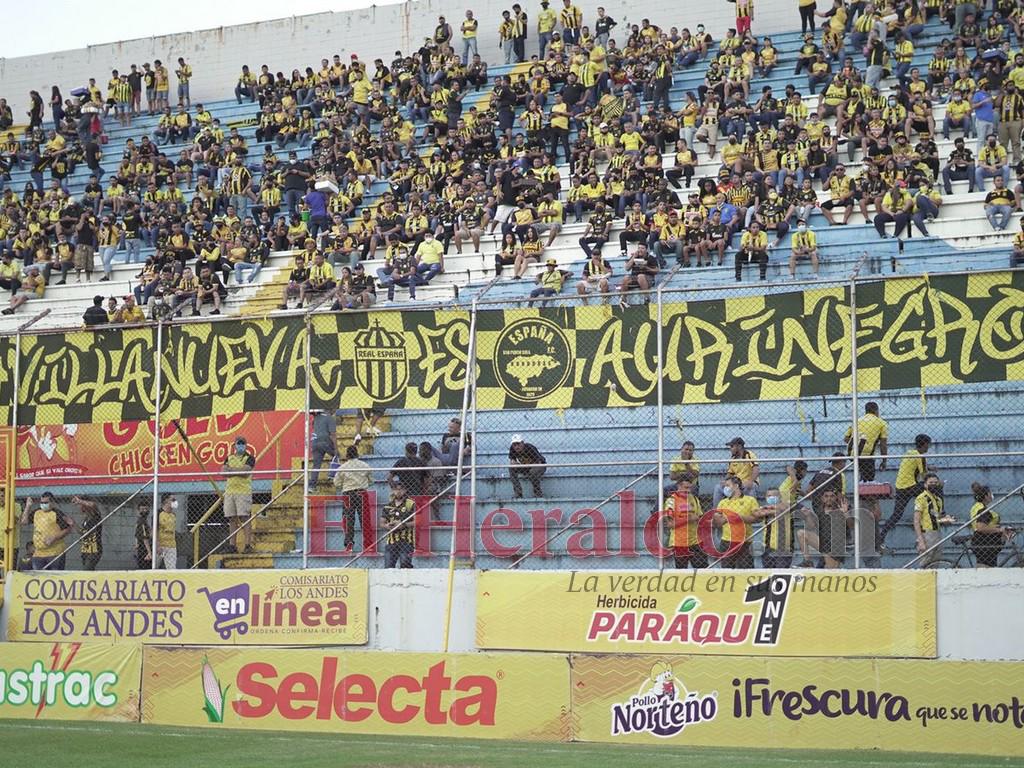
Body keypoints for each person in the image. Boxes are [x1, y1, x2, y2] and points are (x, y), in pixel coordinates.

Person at [879, 433, 931, 547]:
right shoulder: (920, 456)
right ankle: (940, 514)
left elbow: (914, 468)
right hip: (911, 486)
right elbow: (924, 476)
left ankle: (881, 537)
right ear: (925, 444)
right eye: (928, 445)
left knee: (896, 515)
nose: (928, 447)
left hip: (900, 487)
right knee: (933, 487)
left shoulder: (909, 452)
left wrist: (929, 468)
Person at [713, 476, 763, 568]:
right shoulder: (723, 502)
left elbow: (756, 519)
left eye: (727, 485)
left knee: (746, 570)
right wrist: (720, 518)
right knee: (727, 571)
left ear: (736, 485)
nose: (725, 488)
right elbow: (718, 523)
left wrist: (740, 517)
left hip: (745, 541)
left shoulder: (750, 500)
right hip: (727, 541)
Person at [333, 445, 372, 553]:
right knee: (365, 519)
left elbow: (336, 483)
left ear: (347, 455)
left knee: (348, 520)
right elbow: (371, 481)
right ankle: (368, 545)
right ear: (357, 454)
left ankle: (349, 544)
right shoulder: (365, 466)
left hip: (348, 494)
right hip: (361, 493)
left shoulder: (343, 467)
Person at [20, 493, 73, 570]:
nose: (43, 504)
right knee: (40, 577)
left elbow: (68, 529)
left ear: (52, 502)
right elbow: (24, 522)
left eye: (45, 503)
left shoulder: (57, 513)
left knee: (54, 577)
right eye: (41, 502)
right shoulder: (37, 512)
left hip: (54, 552)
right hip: (38, 553)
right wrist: (28, 506)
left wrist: (54, 538)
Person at [665, 475, 706, 569]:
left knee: (703, 571)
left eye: (690, 488)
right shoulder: (671, 501)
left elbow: (699, 517)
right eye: (685, 488)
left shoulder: (694, 499)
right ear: (678, 486)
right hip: (679, 543)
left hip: (695, 542)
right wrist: (688, 519)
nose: (688, 491)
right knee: (682, 573)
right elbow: (670, 524)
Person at [914, 472, 954, 567]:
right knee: (926, 562)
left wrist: (946, 519)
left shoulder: (938, 500)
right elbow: (916, 520)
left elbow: (937, 517)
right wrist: (921, 540)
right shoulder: (921, 498)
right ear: (925, 484)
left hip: (937, 532)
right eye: (931, 482)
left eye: (935, 483)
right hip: (927, 533)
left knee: (936, 562)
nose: (933, 485)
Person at [222, 437, 255, 553]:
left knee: (244, 517)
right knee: (232, 519)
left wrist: (231, 470)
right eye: (238, 443)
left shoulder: (249, 458)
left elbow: (245, 472)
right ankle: (232, 546)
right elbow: (223, 472)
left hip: (243, 491)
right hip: (230, 492)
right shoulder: (229, 457)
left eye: (243, 443)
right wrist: (237, 471)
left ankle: (247, 545)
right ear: (234, 445)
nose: (241, 445)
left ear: (246, 445)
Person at [844, 401, 888, 481]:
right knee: (869, 478)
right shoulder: (882, 423)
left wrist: (857, 443)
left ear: (866, 411)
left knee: (863, 475)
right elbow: (883, 444)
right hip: (867, 455)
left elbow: (846, 438)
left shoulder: (857, 421)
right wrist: (884, 461)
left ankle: (860, 488)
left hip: (851, 452)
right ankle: (865, 490)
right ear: (876, 411)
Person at [713, 437, 760, 507]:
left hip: (748, 482)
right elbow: (730, 474)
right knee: (718, 488)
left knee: (751, 487)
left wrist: (750, 481)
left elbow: (756, 469)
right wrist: (725, 481)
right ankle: (716, 512)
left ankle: (753, 510)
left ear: (739, 446)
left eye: (732, 446)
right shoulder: (733, 459)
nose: (730, 449)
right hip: (736, 484)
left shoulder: (749, 454)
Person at [969, 483, 1007, 568]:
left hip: (985, 541)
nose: (992, 495)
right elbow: (980, 527)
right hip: (985, 541)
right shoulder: (983, 509)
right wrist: (999, 530)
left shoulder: (976, 506)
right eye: (990, 493)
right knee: (985, 568)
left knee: (987, 566)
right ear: (986, 496)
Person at [382, 484, 416, 568]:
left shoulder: (410, 504)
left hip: (406, 540)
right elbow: (381, 523)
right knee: (388, 567)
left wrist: (403, 525)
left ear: (405, 490)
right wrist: (388, 526)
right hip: (391, 541)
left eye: (401, 489)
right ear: (392, 491)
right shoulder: (388, 506)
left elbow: (419, 521)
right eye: (396, 489)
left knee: (405, 565)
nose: (398, 492)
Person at [309, 409, 337, 485]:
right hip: (325, 442)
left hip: (315, 442)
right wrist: (336, 449)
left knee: (316, 465)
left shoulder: (316, 418)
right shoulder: (330, 418)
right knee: (337, 457)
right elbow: (333, 435)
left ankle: (312, 485)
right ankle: (333, 476)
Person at [74, 496, 103, 571]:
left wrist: (80, 501)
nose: (80, 507)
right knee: (89, 571)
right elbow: (83, 533)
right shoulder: (86, 519)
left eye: (81, 505)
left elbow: (93, 505)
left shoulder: (95, 516)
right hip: (85, 549)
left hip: (94, 549)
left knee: (87, 570)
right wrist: (73, 524)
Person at [156, 495, 178, 569]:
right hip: (160, 544)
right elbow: (155, 530)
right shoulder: (158, 513)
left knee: (171, 568)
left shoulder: (173, 515)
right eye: (173, 500)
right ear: (166, 501)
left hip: (171, 545)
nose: (175, 502)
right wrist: (157, 545)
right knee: (154, 567)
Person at [134, 502, 153, 569]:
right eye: (142, 509)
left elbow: (136, 535)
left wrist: (136, 544)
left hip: (141, 548)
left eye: (146, 509)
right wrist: (149, 552)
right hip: (144, 549)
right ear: (138, 510)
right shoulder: (142, 522)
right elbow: (145, 539)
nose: (145, 511)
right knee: (146, 568)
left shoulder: (140, 521)